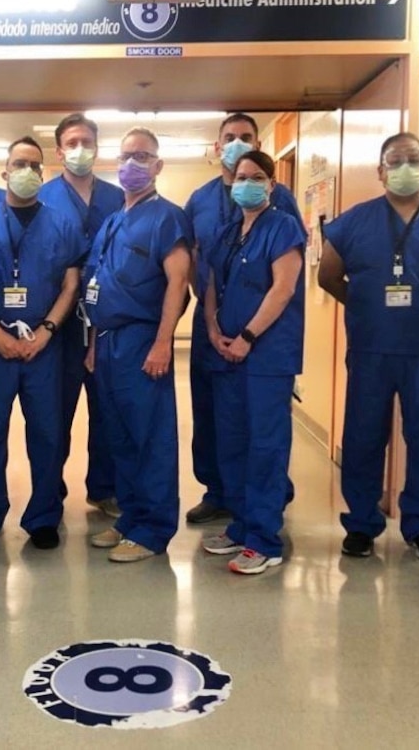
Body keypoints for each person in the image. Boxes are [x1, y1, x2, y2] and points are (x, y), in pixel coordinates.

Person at [318, 133, 419, 561]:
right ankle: (361, 523)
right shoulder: (354, 221)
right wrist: (365, 306)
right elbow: (328, 277)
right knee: (362, 438)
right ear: (380, 172)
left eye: (413, 160)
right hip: (372, 348)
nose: (404, 169)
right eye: (395, 162)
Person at [183, 112, 303, 524]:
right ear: (217, 147)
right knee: (215, 416)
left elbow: (287, 275)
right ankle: (220, 492)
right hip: (212, 324)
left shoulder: (280, 203)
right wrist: (214, 323)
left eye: (246, 137)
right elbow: (198, 262)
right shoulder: (198, 200)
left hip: (262, 331)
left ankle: (267, 503)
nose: (237, 144)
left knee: (264, 427)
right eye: (229, 137)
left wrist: (251, 332)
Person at [0, 137, 83, 551]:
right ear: (4, 171)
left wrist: (48, 329)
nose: (27, 172)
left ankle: (44, 515)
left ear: (43, 173)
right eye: (19, 164)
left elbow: (71, 284)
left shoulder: (63, 223)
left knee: (48, 433)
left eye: (34, 165)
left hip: (43, 346)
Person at [84, 127, 192, 563]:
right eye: (127, 155)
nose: (132, 164)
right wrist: (92, 343)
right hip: (106, 342)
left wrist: (163, 342)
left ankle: (153, 530)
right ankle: (130, 518)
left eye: (143, 156)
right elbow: (96, 284)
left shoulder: (167, 217)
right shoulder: (113, 220)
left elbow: (178, 283)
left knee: (150, 437)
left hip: (142, 340)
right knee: (120, 437)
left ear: (158, 165)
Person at [200, 150, 306, 574]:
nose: (247, 183)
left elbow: (282, 289)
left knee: (265, 445)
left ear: (271, 185)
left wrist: (246, 337)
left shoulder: (284, 227)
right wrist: (211, 328)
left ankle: (264, 538)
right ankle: (241, 525)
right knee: (232, 441)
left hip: (266, 355)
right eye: (241, 177)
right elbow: (211, 284)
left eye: (256, 177)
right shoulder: (227, 233)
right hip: (225, 351)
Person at [39, 113, 125, 518]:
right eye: (72, 142)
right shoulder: (42, 199)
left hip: (107, 321)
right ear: (58, 151)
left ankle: (104, 488)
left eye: (87, 142)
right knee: (55, 412)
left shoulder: (117, 197)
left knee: (108, 409)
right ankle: (49, 491)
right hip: (59, 323)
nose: (80, 150)